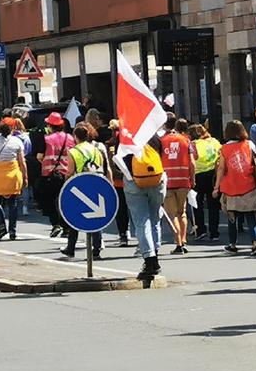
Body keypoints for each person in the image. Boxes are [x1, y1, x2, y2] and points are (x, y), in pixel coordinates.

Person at [116, 128, 168, 280]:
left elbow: (119, 160)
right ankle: (156, 255)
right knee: (155, 219)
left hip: (134, 183)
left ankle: (149, 260)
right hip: (157, 181)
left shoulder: (126, 139)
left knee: (141, 222)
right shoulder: (155, 138)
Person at [216, 120, 256, 255]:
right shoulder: (250, 144)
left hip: (231, 187)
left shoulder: (224, 148)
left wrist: (216, 187)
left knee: (232, 217)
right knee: (251, 216)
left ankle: (233, 244)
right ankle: (255, 244)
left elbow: (221, 168)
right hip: (249, 184)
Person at [61, 122, 109, 259]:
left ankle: (71, 248)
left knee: (75, 217)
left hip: (80, 186)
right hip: (96, 183)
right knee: (96, 216)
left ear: (75, 136)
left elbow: (70, 171)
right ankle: (96, 249)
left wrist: (66, 185)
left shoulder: (74, 151)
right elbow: (101, 165)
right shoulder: (96, 149)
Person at [0, 122, 26, 240]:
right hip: (13, 174)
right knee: (12, 204)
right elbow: (22, 162)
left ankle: (2, 227)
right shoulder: (17, 141)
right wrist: (25, 176)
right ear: (12, 129)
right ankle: (12, 230)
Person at [160, 118, 194, 255]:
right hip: (183, 180)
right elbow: (192, 162)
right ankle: (184, 241)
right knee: (182, 212)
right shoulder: (186, 140)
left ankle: (178, 243)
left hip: (168, 181)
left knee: (172, 214)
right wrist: (192, 178)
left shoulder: (162, 141)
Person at [191, 123, 222, 241]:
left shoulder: (193, 144)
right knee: (213, 204)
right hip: (213, 175)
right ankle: (214, 232)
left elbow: (191, 159)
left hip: (198, 175)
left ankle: (200, 230)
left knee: (197, 203)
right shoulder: (214, 141)